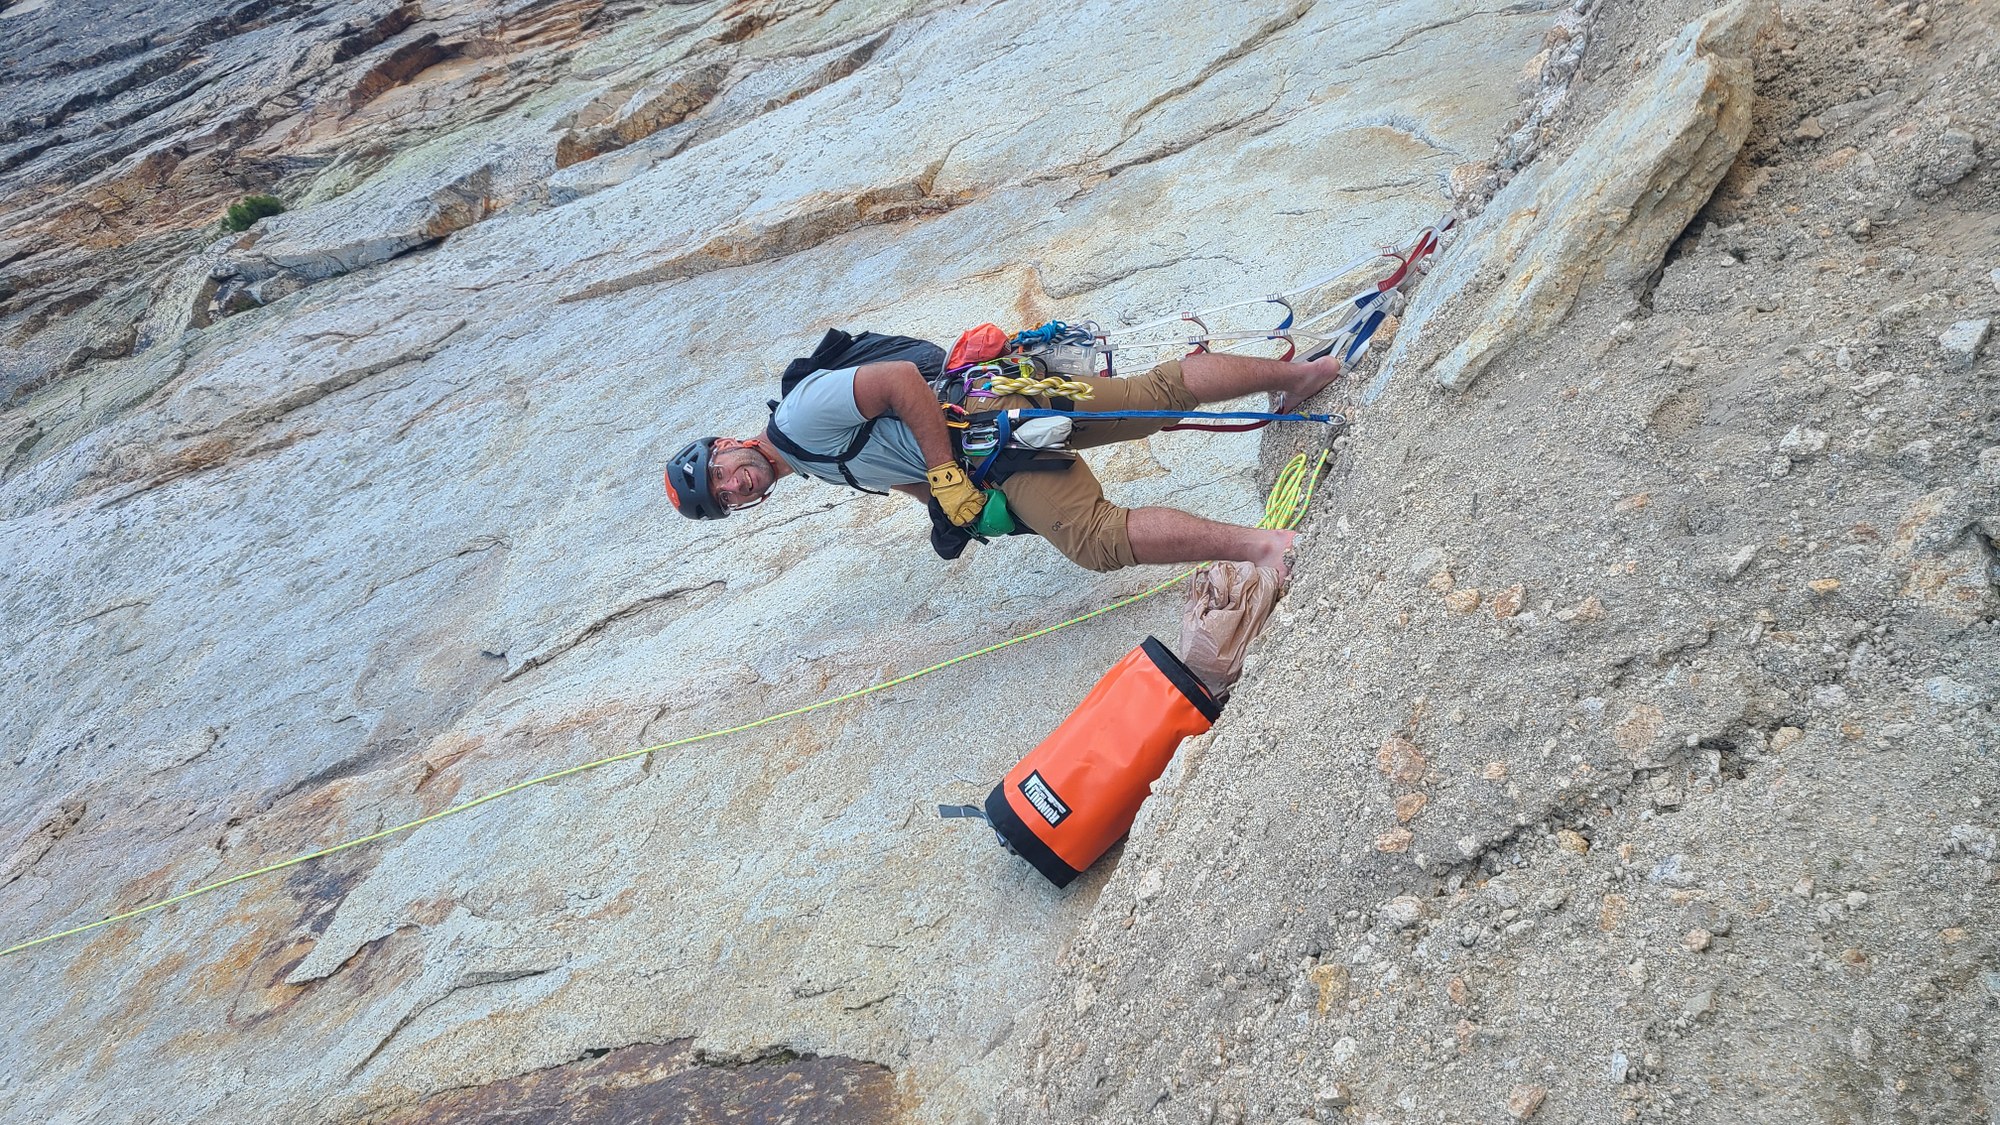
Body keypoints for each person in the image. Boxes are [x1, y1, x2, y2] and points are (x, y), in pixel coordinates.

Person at [662, 349, 1342, 576]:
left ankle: (1265, 547)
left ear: (724, 444)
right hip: (994, 407)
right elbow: (895, 459)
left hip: (988, 430)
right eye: (724, 498)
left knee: (1094, 540)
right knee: (1154, 396)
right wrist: (945, 510)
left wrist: (946, 473)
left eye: (719, 473)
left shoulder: (797, 420)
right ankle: (1306, 374)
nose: (733, 486)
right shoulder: (806, 461)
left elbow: (900, 381)